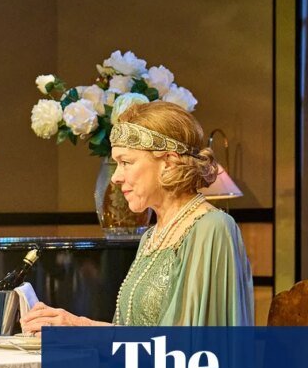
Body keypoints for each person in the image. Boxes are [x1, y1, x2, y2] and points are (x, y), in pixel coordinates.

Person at [21, 101, 253, 330]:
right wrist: (71, 328)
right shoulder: (151, 237)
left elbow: (185, 345)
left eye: (126, 162)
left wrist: (81, 326)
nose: (116, 177)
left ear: (169, 162)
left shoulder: (212, 227)